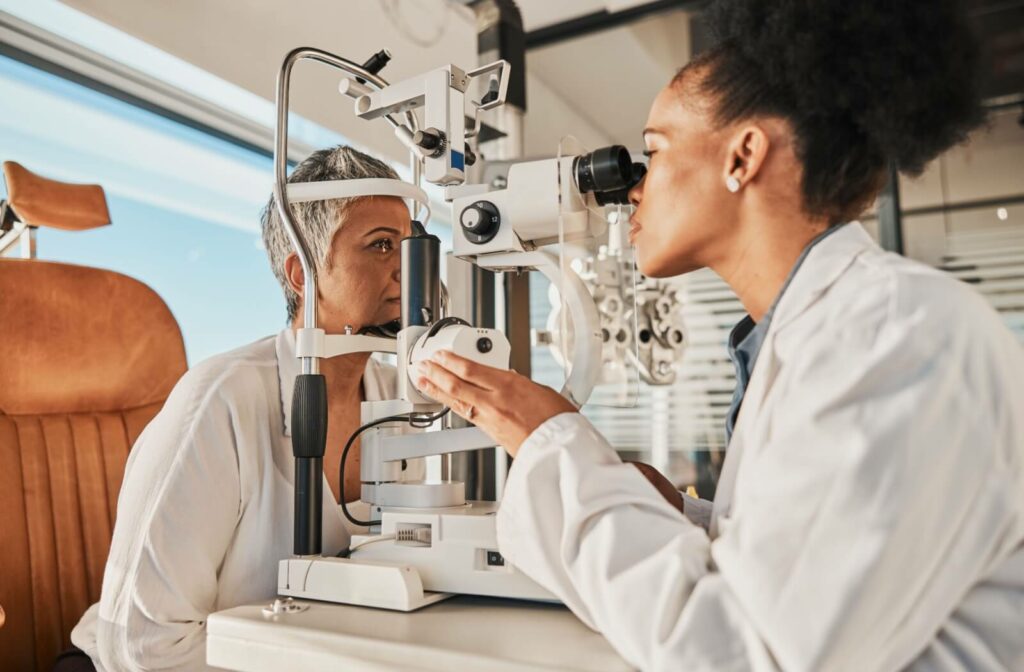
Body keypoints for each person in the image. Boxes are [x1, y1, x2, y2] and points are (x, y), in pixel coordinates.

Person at [417, 1, 1024, 670]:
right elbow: (805, 562)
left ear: (743, 156)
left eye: (654, 151)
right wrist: (680, 512)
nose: (632, 191)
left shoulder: (897, 334)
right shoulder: (812, 335)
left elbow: (745, 651)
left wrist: (551, 444)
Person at [67, 146, 422, 671]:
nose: (407, 270)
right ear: (302, 275)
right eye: (381, 246)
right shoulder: (220, 400)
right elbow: (142, 647)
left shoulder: (400, 396)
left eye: (412, 247)